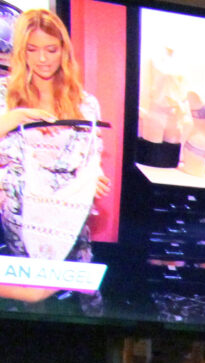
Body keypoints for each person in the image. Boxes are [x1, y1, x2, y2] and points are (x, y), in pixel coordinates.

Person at [0, 8, 108, 308]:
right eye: (32, 49)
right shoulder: (3, 96)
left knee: (79, 318)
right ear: (21, 51)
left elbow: (90, 158)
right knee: (30, 318)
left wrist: (92, 178)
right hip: (19, 226)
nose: (43, 59)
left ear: (64, 51)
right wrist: (14, 118)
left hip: (69, 221)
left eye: (51, 49)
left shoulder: (85, 105)